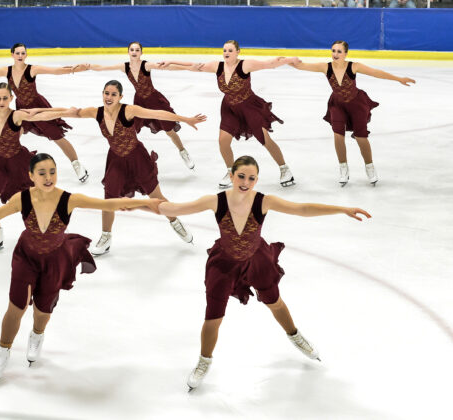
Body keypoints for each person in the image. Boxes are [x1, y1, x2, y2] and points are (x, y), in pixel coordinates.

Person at [153, 155, 370, 390]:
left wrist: (341, 209)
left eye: (252, 178)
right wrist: (142, 204)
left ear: (257, 180)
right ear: (232, 175)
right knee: (213, 316)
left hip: (257, 260)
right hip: (224, 264)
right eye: (241, 176)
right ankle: (204, 361)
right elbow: (175, 209)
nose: (246, 182)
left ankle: (295, 335)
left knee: (274, 301)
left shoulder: (263, 201)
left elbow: (302, 209)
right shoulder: (215, 201)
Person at [0, 153, 162, 384]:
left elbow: (108, 203)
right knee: (17, 306)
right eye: (42, 173)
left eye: (52, 171)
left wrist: (144, 203)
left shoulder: (69, 199)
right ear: (31, 176)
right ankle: (3, 351)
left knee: (43, 310)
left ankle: (37, 335)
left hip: (54, 259)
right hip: (26, 257)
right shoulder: (21, 199)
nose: (49, 177)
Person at [37, 80, 206, 256]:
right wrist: (36, 113)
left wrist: (185, 119)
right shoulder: (97, 112)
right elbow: (72, 112)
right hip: (116, 161)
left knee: (156, 197)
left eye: (113, 94)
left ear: (120, 97)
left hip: (137, 158)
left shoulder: (129, 110)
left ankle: (175, 222)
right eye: (106, 93)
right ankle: (105, 237)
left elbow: (158, 113)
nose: (109, 97)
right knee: (109, 199)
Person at [0, 82, 84, 255]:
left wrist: (66, 112)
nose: (2, 101)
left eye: (5, 98)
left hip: (19, 162)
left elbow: (39, 115)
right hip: (0, 162)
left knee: (35, 199)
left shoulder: (17, 115)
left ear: (11, 98)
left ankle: (49, 228)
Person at [160, 40, 298, 189]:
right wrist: (170, 62)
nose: (226, 53)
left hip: (249, 107)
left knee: (265, 140)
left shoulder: (245, 65)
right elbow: (194, 66)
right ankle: (231, 172)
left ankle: (284, 169)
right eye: (225, 50)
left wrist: (290, 60)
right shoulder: (217, 66)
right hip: (229, 108)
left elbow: (269, 63)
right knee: (223, 141)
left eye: (230, 50)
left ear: (238, 52)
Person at [0, 43, 90, 184]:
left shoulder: (32, 69)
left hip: (38, 106)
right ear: (12, 55)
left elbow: (56, 70)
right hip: (21, 110)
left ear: (26, 54)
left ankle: (76, 165)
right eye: (18, 53)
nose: (20, 56)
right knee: (11, 137)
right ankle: (9, 168)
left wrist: (73, 69)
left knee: (57, 137)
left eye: (23, 53)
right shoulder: (7, 71)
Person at [289, 40, 415, 185]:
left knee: (361, 137)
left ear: (345, 54)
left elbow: (376, 73)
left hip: (356, 104)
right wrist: (285, 60)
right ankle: (343, 168)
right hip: (337, 105)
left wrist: (399, 79)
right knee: (338, 135)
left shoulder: (354, 66)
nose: (335, 54)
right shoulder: (325, 67)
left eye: (339, 51)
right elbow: (301, 66)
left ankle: (370, 167)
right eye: (333, 51)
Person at [78, 41, 197, 170]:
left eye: (137, 50)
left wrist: (188, 67)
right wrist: (88, 66)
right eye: (132, 50)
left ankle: (183, 151)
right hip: (139, 101)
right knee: (131, 129)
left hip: (154, 100)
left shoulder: (146, 65)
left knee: (169, 131)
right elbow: (103, 68)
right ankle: (132, 160)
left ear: (141, 53)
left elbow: (167, 67)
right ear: (128, 52)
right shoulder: (125, 67)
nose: (134, 52)